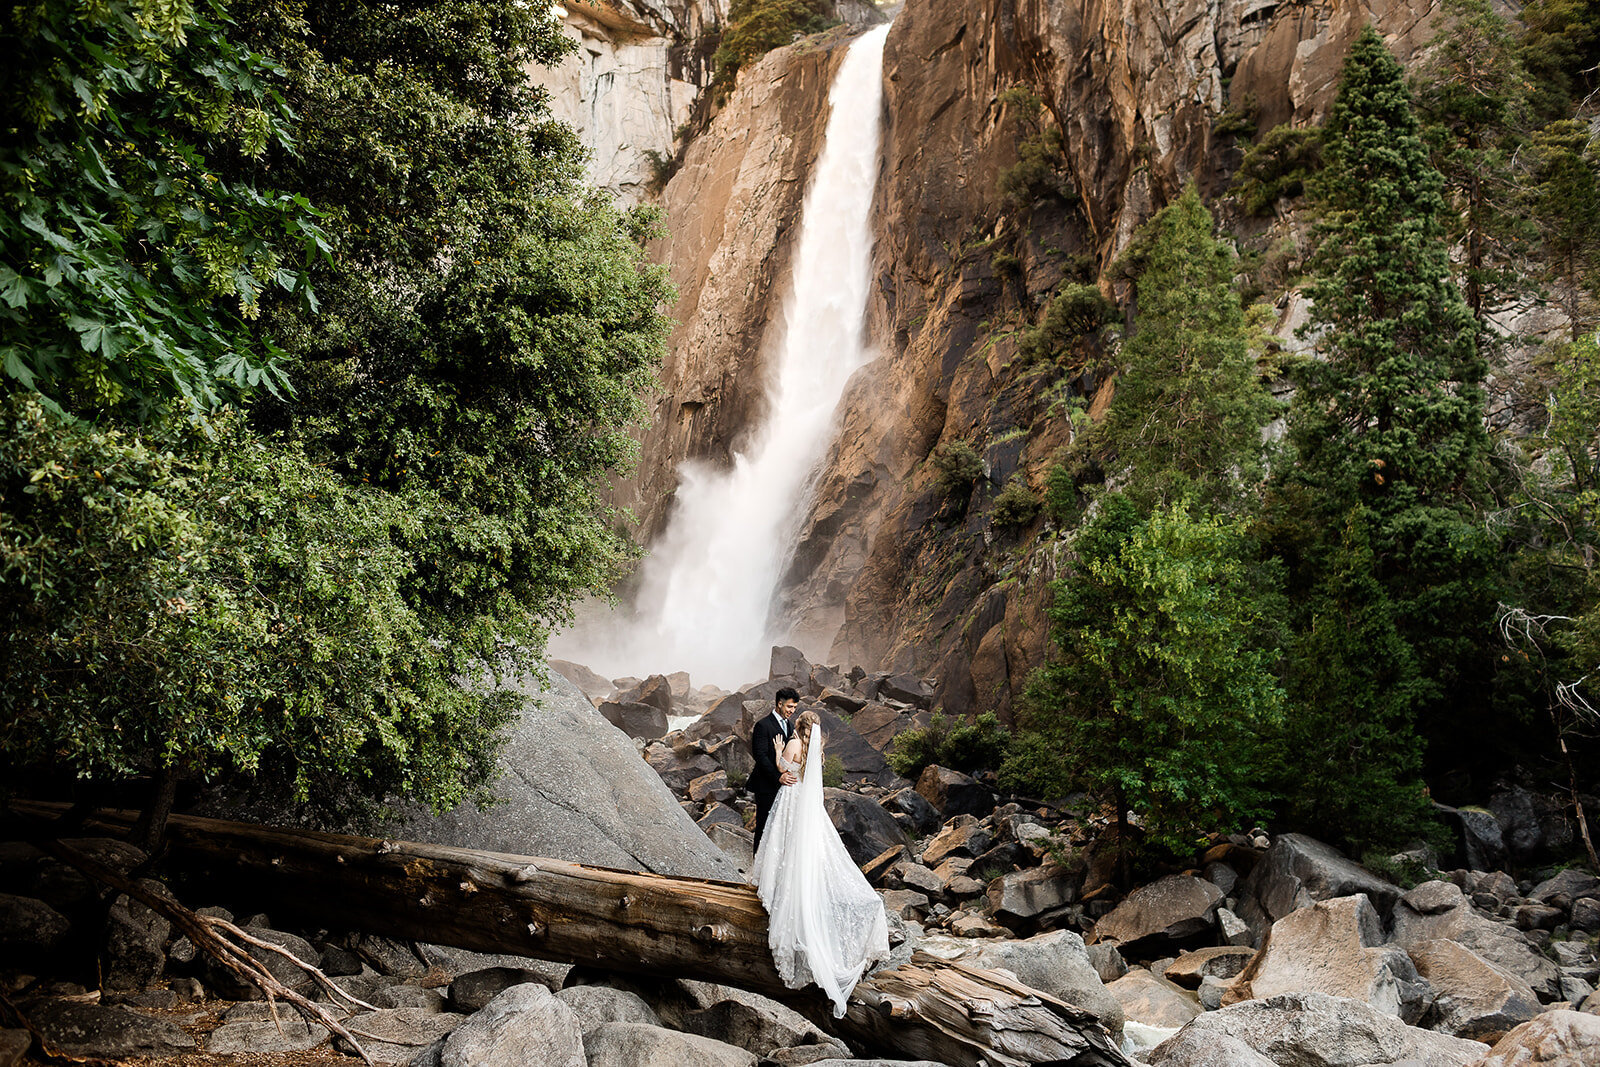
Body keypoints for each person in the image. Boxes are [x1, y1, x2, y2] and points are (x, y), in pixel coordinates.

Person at [754, 709, 890, 1017]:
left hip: (791, 801)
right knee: (808, 848)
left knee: (786, 844)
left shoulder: (793, 745)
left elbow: (784, 770)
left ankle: (780, 885)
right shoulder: (816, 750)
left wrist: (777, 753)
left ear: (798, 726)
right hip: (808, 804)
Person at [748, 687, 800, 851]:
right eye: (789, 707)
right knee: (764, 827)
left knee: (781, 829)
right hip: (766, 785)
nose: (792, 711)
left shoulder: (791, 726)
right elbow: (760, 755)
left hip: (786, 789)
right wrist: (778, 776)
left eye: (794, 708)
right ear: (779, 703)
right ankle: (757, 868)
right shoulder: (763, 725)